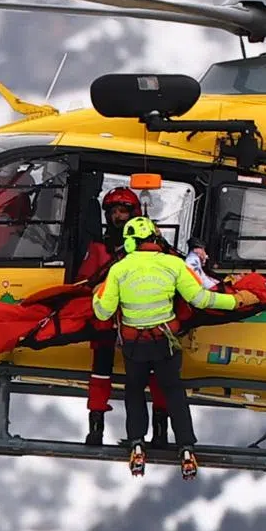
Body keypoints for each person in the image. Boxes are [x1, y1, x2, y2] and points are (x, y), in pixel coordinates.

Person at [91, 215, 260, 479]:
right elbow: (201, 299)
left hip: (134, 346)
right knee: (173, 391)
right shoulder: (173, 265)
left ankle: (136, 442)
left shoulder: (119, 269)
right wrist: (236, 302)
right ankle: (186, 447)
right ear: (155, 239)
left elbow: (103, 313)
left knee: (134, 390)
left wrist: (98, 295)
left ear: (131, 242)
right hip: (165, 342)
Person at [76, 187, 170, 447]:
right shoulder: (99, 247)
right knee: (101, 370)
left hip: (140, 320)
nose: (118, 216)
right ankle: (96, 428)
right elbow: (86, 278)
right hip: (109, 320)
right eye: (113, 212)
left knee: (153, 373)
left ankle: (160, 431)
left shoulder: (155, 247)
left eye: (123, 211)